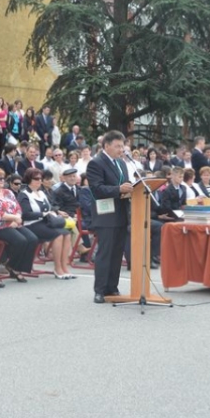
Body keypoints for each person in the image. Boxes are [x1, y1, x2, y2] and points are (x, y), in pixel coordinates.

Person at [86, 130, 133, 303]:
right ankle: (99, 290)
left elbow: (125, 185)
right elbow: (97, 188)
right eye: (117, 146)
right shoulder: (96, 163)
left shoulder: (121, 163)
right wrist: (119, 189)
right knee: (105, 253)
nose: (121, 149)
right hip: (105, 215)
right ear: (106, 146)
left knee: (117, 253)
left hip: (121, 213)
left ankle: (112, 287)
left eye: (122, 146)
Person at [0, 168, 38, 281]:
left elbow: (18, 207)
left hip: (13, 223)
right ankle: (13, 267)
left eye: (3, 178)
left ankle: (17, 267)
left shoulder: (8, 192)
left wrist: (17, 218)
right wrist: (14, 218)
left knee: (33, 239)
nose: (2, 180)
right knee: (20, 240)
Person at [18, 167, 74, 279]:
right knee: (58, 235)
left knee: (66, 233)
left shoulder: (41, 193)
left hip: (45, 222)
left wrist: (57, 211)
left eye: (40, 178)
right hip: (31, 224)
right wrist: (43, 214)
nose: (39, 181)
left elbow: (49, 207)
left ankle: (64, 267)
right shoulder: (24, 194)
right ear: (29, 179)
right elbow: (25, 214)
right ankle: (57, 268)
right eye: (36, 179)